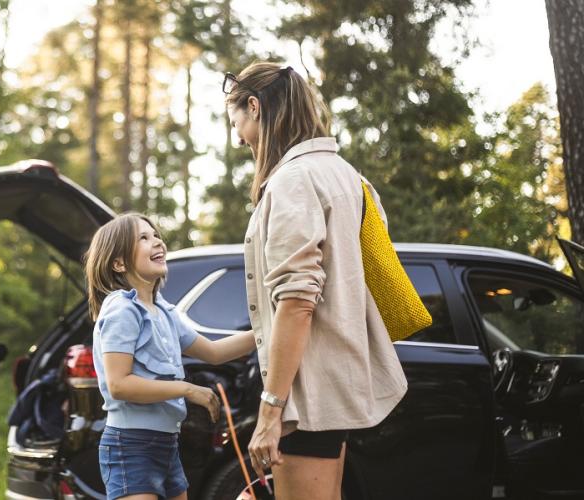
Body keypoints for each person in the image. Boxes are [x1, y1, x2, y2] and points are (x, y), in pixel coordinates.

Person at [224, 62, 408, 500]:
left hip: (305, 394)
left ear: (255, 107)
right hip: (335, 385)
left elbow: (297, 300)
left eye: (238, 122)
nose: (237, 137)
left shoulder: (293, 180)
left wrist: (271, 409)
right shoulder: (350, 177)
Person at [84, 213, 258, 500]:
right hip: (130, 447)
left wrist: (271, 331)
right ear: (119, 263)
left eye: (156, 236)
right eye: (143, 238)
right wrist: (188, 389)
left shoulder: (164, 312)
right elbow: (119, 385)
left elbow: (214, 352)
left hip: (166, 444)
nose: (157, 242)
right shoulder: (122, 311)